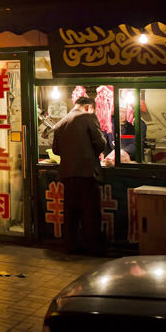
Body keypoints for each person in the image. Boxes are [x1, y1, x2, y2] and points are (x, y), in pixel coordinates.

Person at [52, 96, 107, 256]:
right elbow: (100, 143)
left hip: (68, 174)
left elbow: (56, 151)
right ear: (89, 107)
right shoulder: (88, 117)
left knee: (71, 213)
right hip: (86, 173)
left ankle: (71, 246)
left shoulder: (61, 123)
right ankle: (94, 248)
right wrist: (91, 152)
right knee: (90, 212)